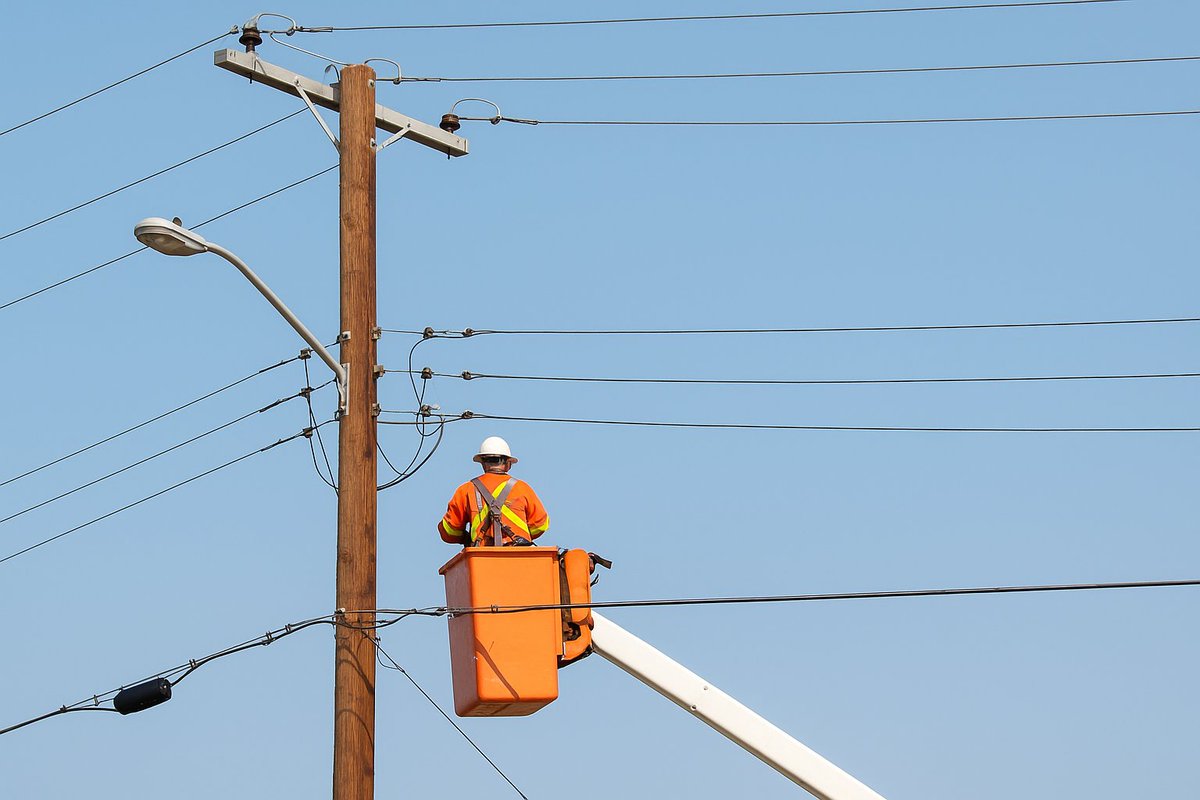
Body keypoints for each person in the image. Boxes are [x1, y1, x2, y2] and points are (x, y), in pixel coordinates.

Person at [438, 436, 551, 547]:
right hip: (519, 558)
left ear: (482, 463)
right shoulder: (522, 488)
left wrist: (466, 538)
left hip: (482, 560)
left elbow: (449, 532)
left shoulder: (466, 490)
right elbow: (540, 525)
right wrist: (519, 536)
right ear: (508, 464)